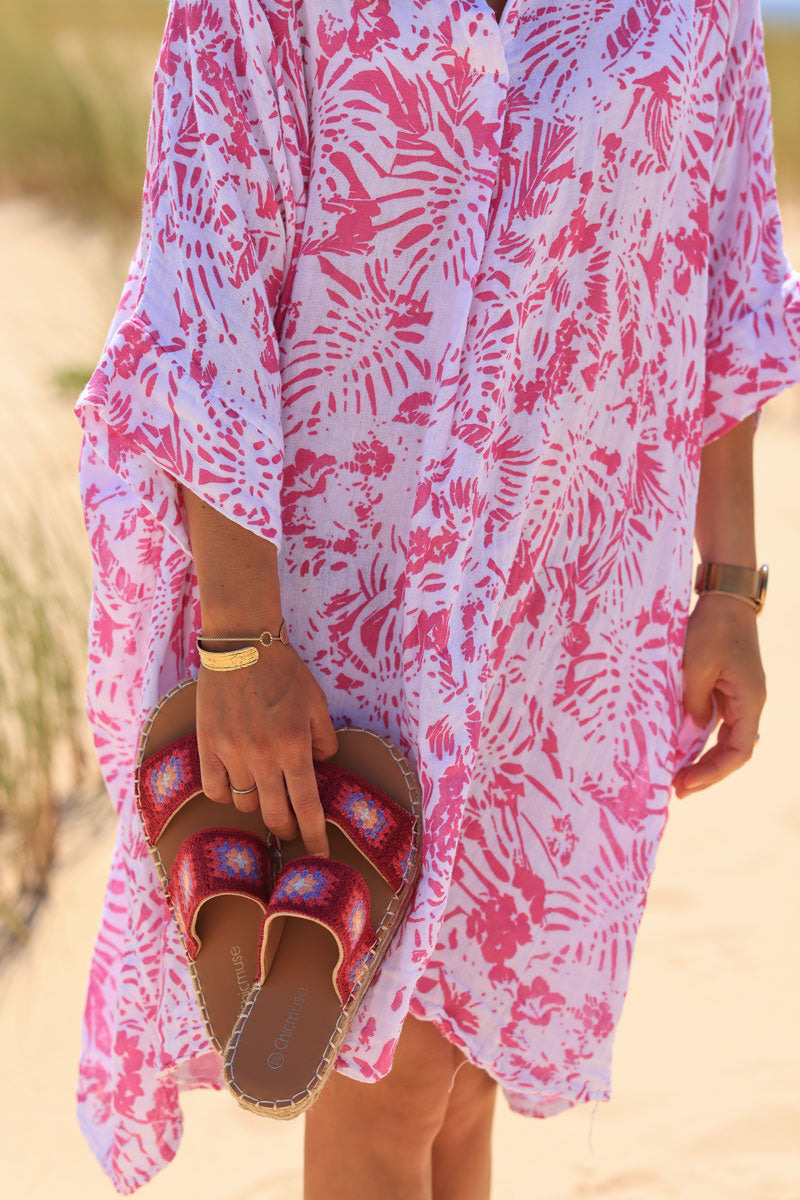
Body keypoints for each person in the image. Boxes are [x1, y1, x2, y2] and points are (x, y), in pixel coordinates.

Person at [74, 1, 799, 1196]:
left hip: (571, 622)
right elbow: (199, 278)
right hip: (347, 611)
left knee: (458, 1083)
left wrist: (728, 585)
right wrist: (241, 642)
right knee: (389, 1086)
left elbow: (724, 270)